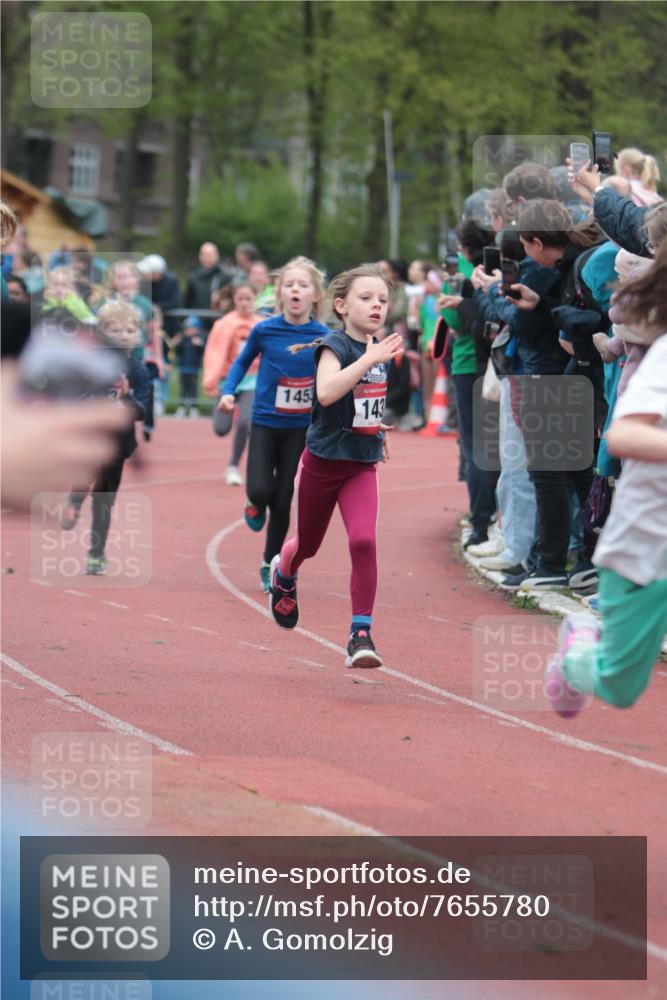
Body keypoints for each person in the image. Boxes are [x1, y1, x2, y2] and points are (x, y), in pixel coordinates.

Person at [545, 242, 667, 716]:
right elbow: (625, 436)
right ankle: (579, 649)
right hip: (646, 545)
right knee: (618, 687)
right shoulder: (662, 356)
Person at [268, 264, 404, 669]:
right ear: (342, 305)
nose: (377, 306)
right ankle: (285, 572)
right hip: (323, 464)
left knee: (363, 541)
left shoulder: (377, 348)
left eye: (382, 299)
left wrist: (375, 424)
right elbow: (327, 393)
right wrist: (370, 357)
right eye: (367, 298)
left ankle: (360, 633)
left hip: (361, 464)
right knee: (307, 544)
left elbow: (359, 400)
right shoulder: (335, 345)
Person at [218, 256, 328, 593]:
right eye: (289, 284)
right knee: (262, 490)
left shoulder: (322, 335)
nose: (296, 290)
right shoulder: (264, 330)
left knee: (283, 501)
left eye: (303, 285)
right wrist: (228, 392)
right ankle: (253, 501)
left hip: (300, 428)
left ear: (316, 295)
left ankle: (270, 563)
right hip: (265, 422)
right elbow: (241, 364)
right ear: (279, 293)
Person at [60, 301, 152, 574]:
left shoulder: (139, 371)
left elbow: (141, 412)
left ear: (138, 334)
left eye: (130, 329)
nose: (123, 335)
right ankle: (74, 503)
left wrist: (126, 396)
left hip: (117, 444)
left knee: (104, 500)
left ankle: (96, 554)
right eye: (115, 329)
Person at [203, 283, 263, 486]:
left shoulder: (262, 325)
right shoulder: (224, 324)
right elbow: (213, 353)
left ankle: (233, 466)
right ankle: (221, 412)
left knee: (246, 422)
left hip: (253, 379)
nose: (245, 303)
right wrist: (211, 381)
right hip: (228, 379)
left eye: (249, 299)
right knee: (221, 428)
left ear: (256, 300)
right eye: (240, 299)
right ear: (234, 300)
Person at [184, 242, 232, 327]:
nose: (206, 257)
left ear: (217, 256)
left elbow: (230, 300)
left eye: (209, 254)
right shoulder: (193, 277)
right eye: (204, 254)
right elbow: (187, 301)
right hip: (197, 323)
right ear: (200, 256)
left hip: (218, 322)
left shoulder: (225, 277)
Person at [137, 254, 181, 335]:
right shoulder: (144, 282)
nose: (145, 274)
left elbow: (174, 302)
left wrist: (156, 307)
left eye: (149, 272)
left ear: (156, 273)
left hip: (169, 325)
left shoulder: (171, 281)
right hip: (150, 324)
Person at [172, 315, 205, 417]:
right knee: (183, 388)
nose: (188, 330)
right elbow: (177, 352)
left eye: (191, 328)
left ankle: (193, 407)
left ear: (197, 329)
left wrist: (200, 345)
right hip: (183, 368)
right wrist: (176, 344)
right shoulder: (183, 339)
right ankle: (181, 407)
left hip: (194, 369)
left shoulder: (199, 339)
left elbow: (203, 352)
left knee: (193, 389)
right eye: (186, 328)